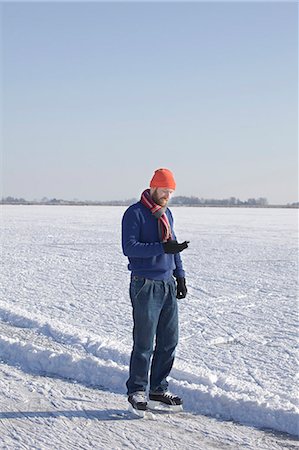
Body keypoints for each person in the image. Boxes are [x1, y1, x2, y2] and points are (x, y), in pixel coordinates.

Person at [121, 168, 189, 414]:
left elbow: (174, 247)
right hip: (145, 284)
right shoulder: (135, 213)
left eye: (171, 192)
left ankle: (158, 389)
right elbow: (130, 248)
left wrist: (179, 276)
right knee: (144, 342)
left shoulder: (166, 213)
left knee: (169, 340)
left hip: (167, 284)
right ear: (153, 187)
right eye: (164, 190)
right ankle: (137, 390)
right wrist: (162, 247)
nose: (167, 196)